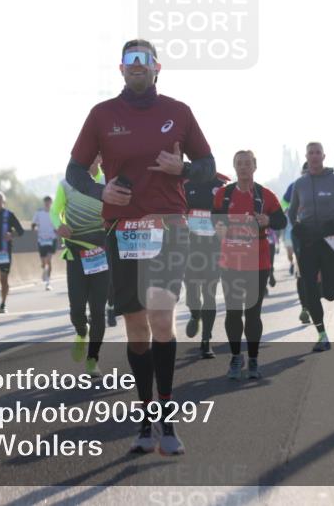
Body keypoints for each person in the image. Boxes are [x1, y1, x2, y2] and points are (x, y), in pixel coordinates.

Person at [66, 39, 214, 456]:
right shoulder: (102, 115)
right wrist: (100, 190)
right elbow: (74, 170)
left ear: (156, 67)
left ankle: (167, 422)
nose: (136, 65)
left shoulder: (178, 112)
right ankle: (146, 420)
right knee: (136, 328)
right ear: (120, 69)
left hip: (167, 226)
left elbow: (206, 166)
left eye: (143, 59)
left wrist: (182, 169)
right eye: (129, 60)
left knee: (162, 319)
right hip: (124, 230)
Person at [212, 151, 286, 380]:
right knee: (233, 312)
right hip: (230, 261)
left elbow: (282, 221)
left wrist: (269, 220)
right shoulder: (224, 194)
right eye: (239, 163)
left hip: (258, 262)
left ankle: (253, 359)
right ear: (234, 167)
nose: (243, 167)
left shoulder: (265, 195)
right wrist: (219, 228)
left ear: (255, 166)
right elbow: (213, 219)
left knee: (252, 314)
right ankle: (236, 357)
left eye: (247, 163)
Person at [287, 142, 334, 352]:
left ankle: (319, 293)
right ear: (306, 156)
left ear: (323, 156)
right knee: (309, 286)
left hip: (331, 238)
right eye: (310, 152)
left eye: (317, 152)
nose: (314, 156)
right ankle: (322, 334)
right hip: (309, 239)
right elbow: (291, 212)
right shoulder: (299, 184)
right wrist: (297, 228)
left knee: (330, 292)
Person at [51, 154, 111, 376]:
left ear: (100, 160)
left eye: (94, 156)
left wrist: (111, 219)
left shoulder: (108, 183)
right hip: (76, 253)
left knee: (98, 310)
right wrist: (59, 225)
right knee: (77, 308)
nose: (89, 161)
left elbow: (120, 210)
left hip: (101, 253)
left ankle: (93, 359)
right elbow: (54, 211)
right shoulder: (66, 184)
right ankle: (80, 330)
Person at [182, 171, 229, 359]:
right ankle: (195, 314)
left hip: (213, 249)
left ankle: (206, 340)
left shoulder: (220, 186)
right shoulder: (185, 185)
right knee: (192, 292)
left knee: (209, 293)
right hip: (188, 248)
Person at [282, 163, 310, 324]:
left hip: (321, 235)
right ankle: (305, 307)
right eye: (305, 172)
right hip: (298, 232)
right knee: (302, 271)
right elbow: (282, 204)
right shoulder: (294, 186)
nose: (308, 174)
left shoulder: (326, 183)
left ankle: (312, 302)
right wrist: (291, 209)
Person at [32, 196, 58, 290]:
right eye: (46, 202)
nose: (47, 204)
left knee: (48, 260)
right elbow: (33, 224)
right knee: (43, 263)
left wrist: (57, 230)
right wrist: (35, 229)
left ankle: (48, 282)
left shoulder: (54, 213)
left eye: (49, 202)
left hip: (52, 239)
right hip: (41, 239)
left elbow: (58, 224)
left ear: (51, 203)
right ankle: (44, 270)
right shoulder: (39, 212)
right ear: (44, 203)